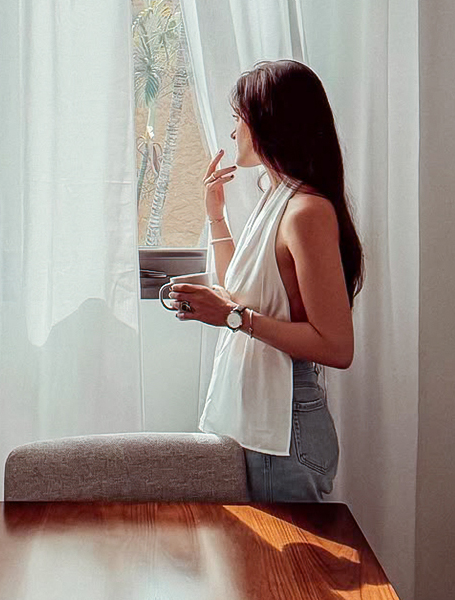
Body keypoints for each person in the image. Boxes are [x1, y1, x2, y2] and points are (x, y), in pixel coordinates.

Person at [168, 60, 364, 502]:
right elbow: (245, 291)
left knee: (287, 573)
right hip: (267, 415)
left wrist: (233, 318)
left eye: (240, 118)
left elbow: (336, 346)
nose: (234, 131)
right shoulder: (278, 196)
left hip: (286, 423)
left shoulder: (307, 211)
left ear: (271, 124)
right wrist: (215, 216)